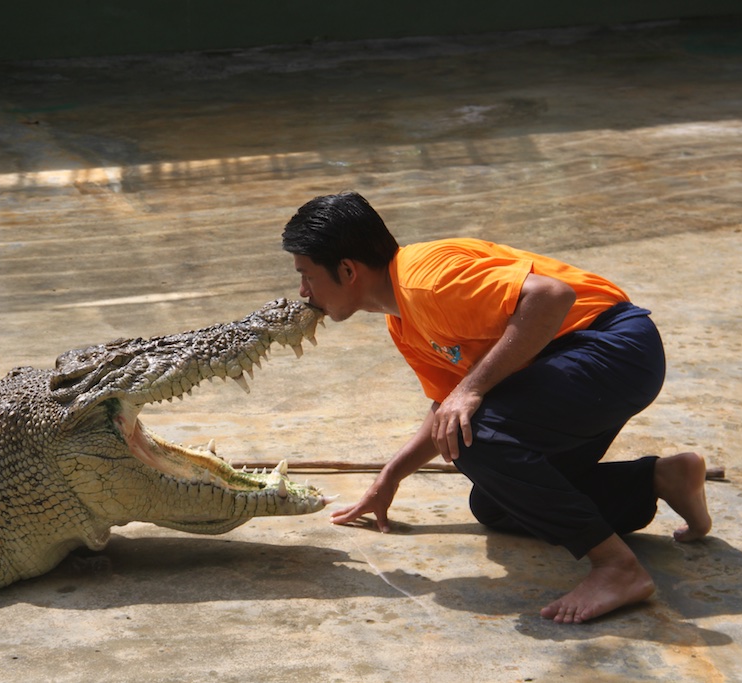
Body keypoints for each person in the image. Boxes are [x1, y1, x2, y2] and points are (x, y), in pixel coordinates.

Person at [281, 191, 711, 624]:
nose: (302, 292)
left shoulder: (427, 279)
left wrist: (471, 390)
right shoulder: (404, 321)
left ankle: (617, 568)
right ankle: (658, 479)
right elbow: (446, 406)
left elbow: (551, 296)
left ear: (348, 269)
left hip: (614, 348)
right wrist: (390, 477)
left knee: (476, 439)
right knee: (496, 505)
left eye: (306, 275)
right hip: (582, 367)